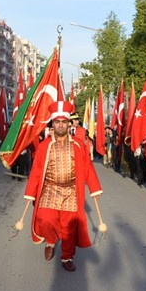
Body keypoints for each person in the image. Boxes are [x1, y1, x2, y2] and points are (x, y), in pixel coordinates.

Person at [25, 101, 103, 272]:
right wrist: (31, 192)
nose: (60, 125)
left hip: (71, 191)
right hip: (49, 189)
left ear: (68, 124)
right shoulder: (45, 145)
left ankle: (67, 256)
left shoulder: (78, 144)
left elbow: (88, 167)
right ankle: (51, 240)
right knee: (44, 219)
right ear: (53, 124)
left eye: (63, 122)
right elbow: (36, 170)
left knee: (69, 227)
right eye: (57, 122)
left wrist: (94, 188)